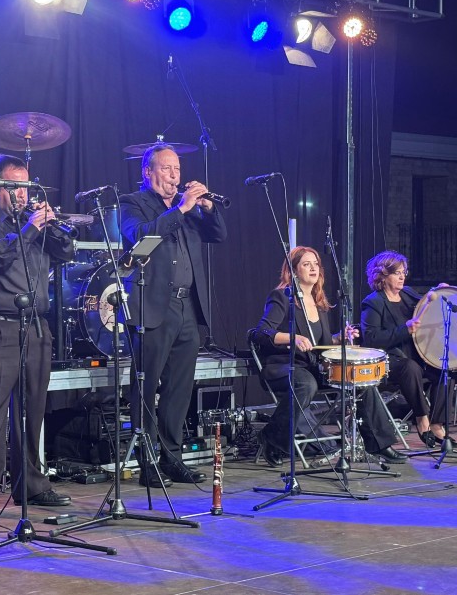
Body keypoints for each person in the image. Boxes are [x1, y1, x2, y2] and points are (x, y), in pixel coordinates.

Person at [0, 154, 75, 517]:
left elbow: (66, 252)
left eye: (26, 186)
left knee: (32, 411)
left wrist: (51, 225)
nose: (24, 194)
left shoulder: (31, 221)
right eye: (16, 187)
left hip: (35, 326)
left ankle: (32, 485)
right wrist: (29, 231)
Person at [119, 144, 226, 487]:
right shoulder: (133, 202)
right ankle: (147, 462)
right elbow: (140, 238)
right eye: (166, 169)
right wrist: (181, 209)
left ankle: (172, 458)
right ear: (147, 172)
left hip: (186, 307)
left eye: (177, 169)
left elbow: (218, 235)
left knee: (179, 388)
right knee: (146, 385)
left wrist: (208, 208)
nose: (174, 176)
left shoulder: (189, 209)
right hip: (152, 306)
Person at [252, 247, 407, 465]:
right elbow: (260, 333)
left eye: (316, 263)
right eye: (306, 264)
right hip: (284, 366)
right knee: (306, 384)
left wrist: (339, 338)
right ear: (293, 270)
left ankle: (380, 445)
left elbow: (321, 344)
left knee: (359, 380)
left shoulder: (318, 301)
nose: (313, 268)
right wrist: (292, 337)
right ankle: (272, 438)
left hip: (313, 366)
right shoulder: (281, 297)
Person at [359, 251, 454, 450]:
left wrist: (439, 291)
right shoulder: (373, 302)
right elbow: (371, 339)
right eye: (397, 273)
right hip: (389, 361)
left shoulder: (408, 294)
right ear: (382, 275)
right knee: (410, 368)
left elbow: (427, 303)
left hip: (416, 356)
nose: (402, 277)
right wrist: (405, 329)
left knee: (445, 368)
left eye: (404, 272)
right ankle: (421, 418)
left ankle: (437, 423)